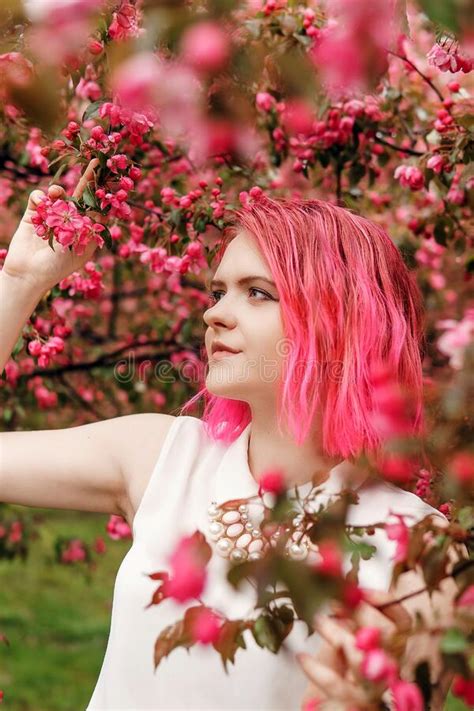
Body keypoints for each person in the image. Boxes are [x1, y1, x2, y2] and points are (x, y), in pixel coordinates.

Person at [0, 162, 455, 710]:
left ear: (342, 319)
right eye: (217, 292)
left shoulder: (420, 550)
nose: (214, 314)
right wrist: (20, 281)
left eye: (257, 293)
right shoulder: (162, 457)